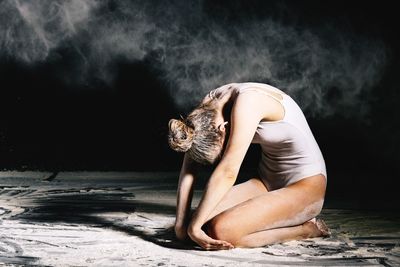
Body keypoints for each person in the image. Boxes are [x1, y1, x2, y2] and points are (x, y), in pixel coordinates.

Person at [168, 82, 330, 250]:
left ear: (223, 129)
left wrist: (194, 228)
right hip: (265, 181)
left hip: (306, 185)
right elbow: (189, 169)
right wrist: (181, 225)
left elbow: (228, 171)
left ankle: (305, 230)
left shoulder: (249, 103)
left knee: (220, 231)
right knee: (193, 228)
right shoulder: (207, 109)